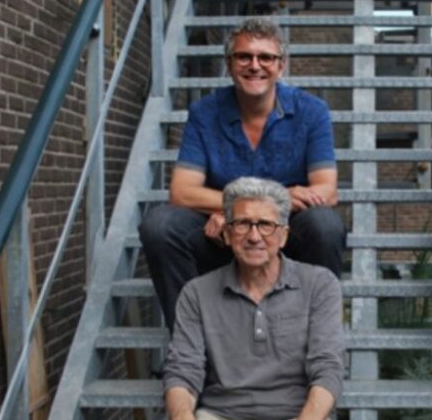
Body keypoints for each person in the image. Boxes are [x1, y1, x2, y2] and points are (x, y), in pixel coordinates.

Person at [156, 177, 344, 420]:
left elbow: (329, 369)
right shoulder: (197, 292)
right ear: (226, 234)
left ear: (283, 235)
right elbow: (182, 370)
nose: (254, 236)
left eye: (266, 225)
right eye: (242, 224)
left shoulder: (319, 284)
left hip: (294, 416)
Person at [139, 17, 345, 332]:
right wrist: (241, 212)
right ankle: (193, 344)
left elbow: (326, 190)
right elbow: (181, 191)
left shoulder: (311, 111)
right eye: (244, 56)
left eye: (266, 57)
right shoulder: (204, 112)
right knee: (160, 226)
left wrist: (254, 214)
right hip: (221, 235)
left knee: (325, 224)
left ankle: (315, 340)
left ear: (281, 66)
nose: (254, 65)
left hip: (284, 235)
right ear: (229, 64)